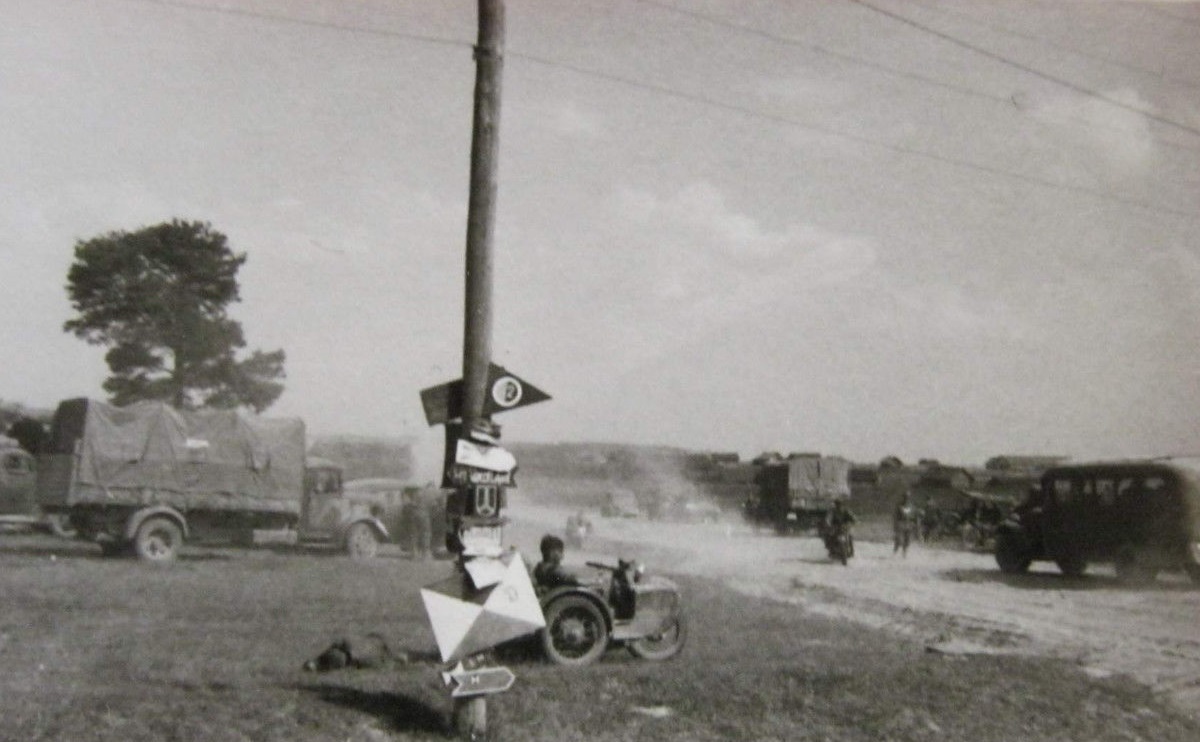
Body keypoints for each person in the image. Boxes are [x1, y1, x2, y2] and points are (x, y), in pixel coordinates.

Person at [893, 490, 919, 557]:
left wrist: (916, 526)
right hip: (901, 523)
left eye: (908, 497)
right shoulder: (899, 505)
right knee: (899, 539)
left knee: (907, 540)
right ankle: (895, 550)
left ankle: (904, 553)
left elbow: (915, 516)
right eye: (905, 497)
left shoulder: (912, 506)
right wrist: (895, 525)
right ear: (903, 497)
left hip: (909, 524)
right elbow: (895, 516)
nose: (906, 499)